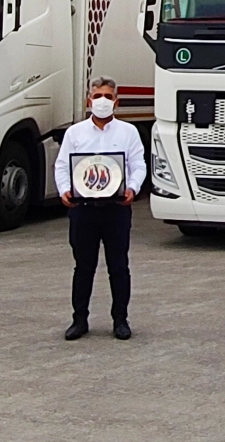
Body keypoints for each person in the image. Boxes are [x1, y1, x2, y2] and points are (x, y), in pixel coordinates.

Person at [58, 76, 146, 341]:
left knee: (118, 266)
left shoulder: (128, 132)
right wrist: (64, 189)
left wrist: (133, 188)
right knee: (83, 267)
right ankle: (79, 320)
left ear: (116, 102)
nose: (103, 101)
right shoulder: (75, 133)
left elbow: (138, 164)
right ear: (89, 100)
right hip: (83, 209)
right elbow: (62, 165)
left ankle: (120, 320)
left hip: (116, 209)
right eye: (98, 97)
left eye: (108, 96)